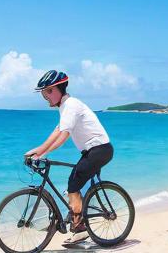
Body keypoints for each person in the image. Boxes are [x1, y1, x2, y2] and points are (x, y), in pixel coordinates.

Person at [25, 70, 114, 244]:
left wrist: (43, 153)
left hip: (100, 149)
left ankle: (80, 228)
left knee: (73, 185)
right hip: (94, 151)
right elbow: (57, 131)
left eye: (49, 91)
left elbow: (64, 135)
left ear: (60, 88)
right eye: (44, 93)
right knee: (74, 183)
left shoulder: (71, 105)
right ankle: (76, 216)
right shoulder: (65, 107)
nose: (46, 96)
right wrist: (38, 150)